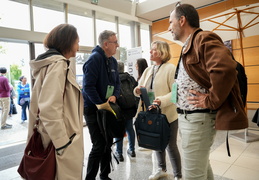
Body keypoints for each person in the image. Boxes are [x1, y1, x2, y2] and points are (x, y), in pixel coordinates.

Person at [168, 3, 248, 180]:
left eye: (170, 22)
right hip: (192, 118)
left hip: (197, 119)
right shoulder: (190, 43)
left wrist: (211, 100)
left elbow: (225, 69)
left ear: (182, 20)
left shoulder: (203, 38)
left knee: (192, 175)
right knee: (202, 168)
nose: (169, 27)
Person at [28, 24, 84, 179]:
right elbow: (49, 108)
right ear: (68, 42)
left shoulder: (48, 65)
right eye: (77, 42)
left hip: (50, 138)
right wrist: (63, 143)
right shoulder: (59, 65)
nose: (78, 48)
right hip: (60, 143)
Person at [133, 41, 182, 180]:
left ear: (162, 52)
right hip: (152, 113)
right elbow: (139, 87)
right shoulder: (148, 70)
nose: (150, 52)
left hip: (168, 115)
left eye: (153, 50)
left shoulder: (170, 68)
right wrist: (137, 90)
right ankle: (161, 169)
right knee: (156, 143)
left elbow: (175, 93)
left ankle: (178, 175)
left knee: (171, 146)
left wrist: (161, 100)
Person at [82, 30, 120, 180]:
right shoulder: (94, 59)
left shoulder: (113, 61)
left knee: (108, 142)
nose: (118, 45)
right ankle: (89, 178)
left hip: (107, 108)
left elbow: (116, 83)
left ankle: (104, 175)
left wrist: (115, 95)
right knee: (98, 144)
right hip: (93, 109)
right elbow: (88, 87)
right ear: (106, 44)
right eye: (115, 42)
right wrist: (100, 103)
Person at [115, 61, 138, 162]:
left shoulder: (113, 79)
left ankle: (119, 153)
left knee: (119, 131)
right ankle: (132, 150)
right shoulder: (130, 78)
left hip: (119, 108)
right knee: (130, 128)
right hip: (131, 107)